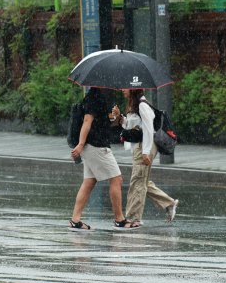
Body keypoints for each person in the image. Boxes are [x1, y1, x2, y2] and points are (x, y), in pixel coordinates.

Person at [68, 88, 139, 231]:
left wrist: (116, 118)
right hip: (96, 145)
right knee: (116, 179)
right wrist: (80, 144)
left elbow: (103, 123)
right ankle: (119, 219)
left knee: (89, 181)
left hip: (95, 144)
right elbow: (87, 121)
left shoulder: (101, 95)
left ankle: (75, 220)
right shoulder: (94, 96)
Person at [114, 89, 179, 226]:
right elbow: (131, 126)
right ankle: (169, 203)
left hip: (144, 146)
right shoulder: (135, 105)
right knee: (142, 181)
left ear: (132, 89)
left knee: (137, 181)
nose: (122, 90)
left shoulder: (142, 105)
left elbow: (149, 129)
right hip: (140, 146)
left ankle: (133, 218)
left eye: (125, 88)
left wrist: (146, 152)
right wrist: (120, 118)